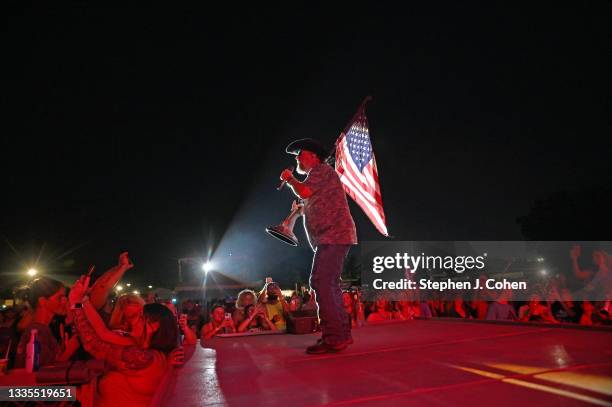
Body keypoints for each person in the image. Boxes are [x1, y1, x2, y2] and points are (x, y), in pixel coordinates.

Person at [279, 138, 357, 354]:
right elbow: (311, 199)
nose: (297, 158)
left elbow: (304, 192)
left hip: (333, 236)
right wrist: (301, 210)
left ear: (313, 155)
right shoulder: (319, 175)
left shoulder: (320, 170)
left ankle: (334, 337)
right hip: (332, 237)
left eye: (300, 154)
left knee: (321, 282)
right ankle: (340, 335)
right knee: (328, 284)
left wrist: (290, 178)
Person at [68, 275, 177, 407]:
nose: (131, 321)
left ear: (154, 326)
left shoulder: (143, 358)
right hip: (88, 394)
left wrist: (76, 302)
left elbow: (92, 344)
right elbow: (99, 337)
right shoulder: (144, 351)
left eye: (140, 316)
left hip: (87, 395)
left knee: (44, 393)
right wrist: (82, 299)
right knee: (49, 393)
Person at [15, 277, 80, 368]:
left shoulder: (44, 328)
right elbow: (41, 373)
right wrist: (69, 351)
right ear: (42, 301)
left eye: (65, 296)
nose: (65, 301)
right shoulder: (36, 332)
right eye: (60, 297)